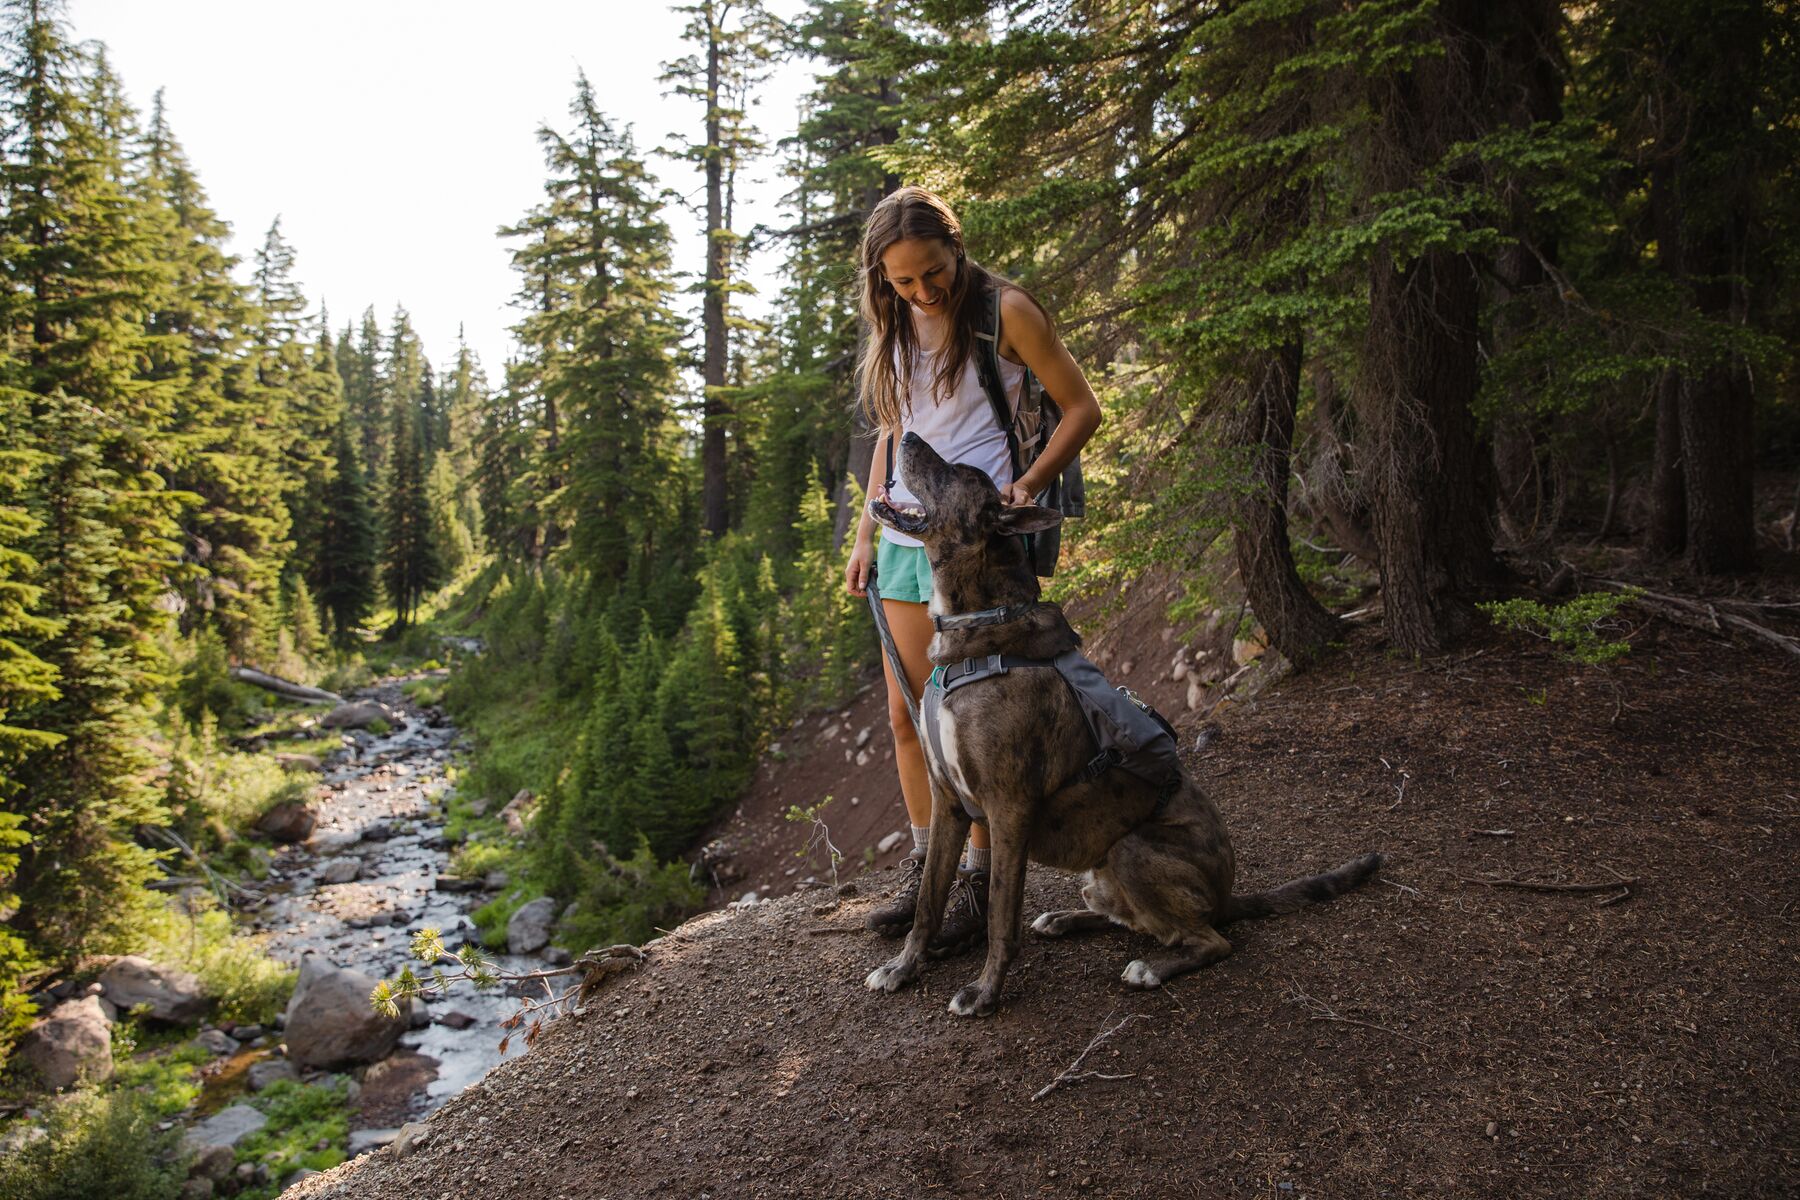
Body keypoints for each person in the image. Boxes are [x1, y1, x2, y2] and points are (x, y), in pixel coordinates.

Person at [844, 186, 1103, 955]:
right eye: (903, 282)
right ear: (881, 281)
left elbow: (1083, 407)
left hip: (979, 540)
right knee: (910, 713)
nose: (922, 292)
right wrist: (865, 532)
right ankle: (929, 867)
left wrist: (1029, 485)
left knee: (978, 721)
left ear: (955, 247)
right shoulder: (892, 323)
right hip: (905, 535)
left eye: (932, 273)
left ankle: (979, 882)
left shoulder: (1006, 311)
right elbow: (897, 432)